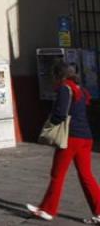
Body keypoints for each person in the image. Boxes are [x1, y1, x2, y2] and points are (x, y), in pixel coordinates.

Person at [27, 62, 100, 222]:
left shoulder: (64, 88)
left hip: (71, 137)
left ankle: (47, 210)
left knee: (57, 174)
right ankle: (99, 211)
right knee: (86, 175)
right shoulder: (79, 89)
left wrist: (49, 125)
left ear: (59, 75)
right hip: (85, 137)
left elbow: (60, 113)